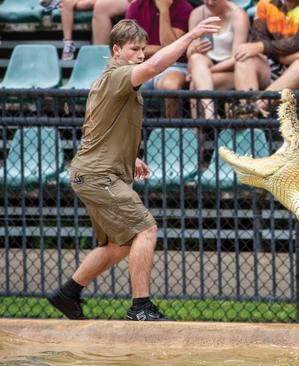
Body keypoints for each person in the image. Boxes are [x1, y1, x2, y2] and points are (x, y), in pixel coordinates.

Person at [47, 17, 221, 321]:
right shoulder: (116, 76)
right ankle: (140, 307)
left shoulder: (109, 81)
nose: (141, 54)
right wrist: (191, 35)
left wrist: (130, 157)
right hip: (99, 175)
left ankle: (68, 293)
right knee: (145, 230)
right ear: (116, 50)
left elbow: (97, 129)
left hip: (95, 172)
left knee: (119, 245)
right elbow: (155, 68)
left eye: (143, 48)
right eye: (134, 49)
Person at [231, 0, 299, 118]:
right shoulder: (265, 4)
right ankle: (250, 117)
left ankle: (249, 111)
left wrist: (261, 47)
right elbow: (259, 38)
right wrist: (282, 58)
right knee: (245, 59)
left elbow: (298, 43)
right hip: (276, 63)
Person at [126, 0, 194, 118]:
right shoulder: (135, 6)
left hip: (174, 66)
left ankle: (171, 132)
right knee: (121, 84)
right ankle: (132, 133)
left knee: (171, 87)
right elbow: (130, 50)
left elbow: (173, 51)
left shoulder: (184, 7)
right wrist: (164, 49)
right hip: (142, 65)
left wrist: (164, 10)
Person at [186, 0, 249, 119]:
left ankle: (200, 131)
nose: (209, 2)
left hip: (231, 70)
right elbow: (189, 53)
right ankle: (210, 115)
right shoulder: (197, 14)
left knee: (195, 84)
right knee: (196, 58)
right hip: (204, 64)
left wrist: (205, 71)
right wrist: (195, 49)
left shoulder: (238, 15)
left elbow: (237, 58)